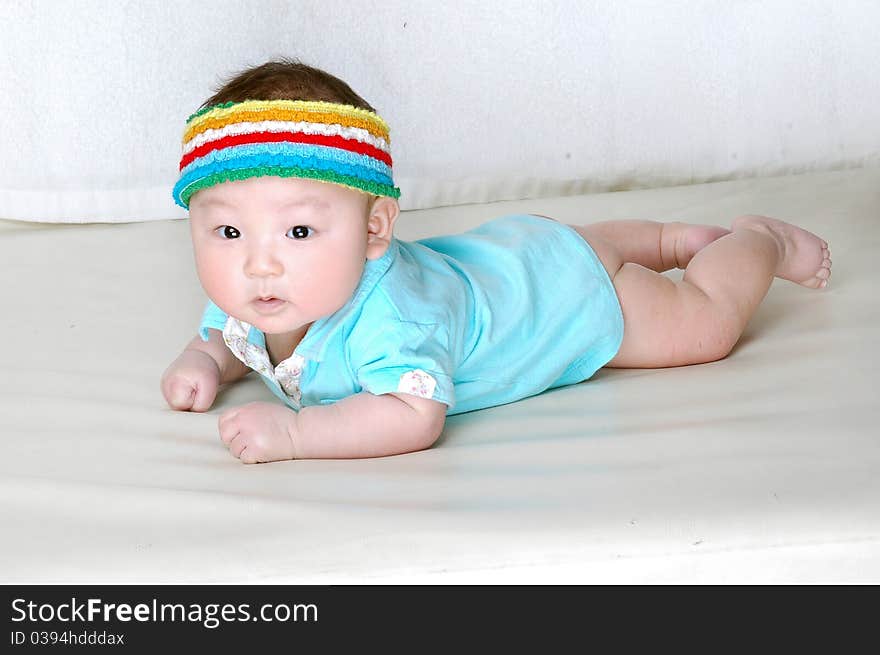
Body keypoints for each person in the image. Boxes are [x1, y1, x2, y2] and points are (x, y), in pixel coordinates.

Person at [160, 59, 832, 464]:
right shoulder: (255, 298)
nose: (258, 265)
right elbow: (225, 328)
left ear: (375, 229)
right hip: (513, 254)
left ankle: (758, 241)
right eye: (226, 230)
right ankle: (658, 239)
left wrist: (299, 434)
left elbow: (412, 414)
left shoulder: (391, 322)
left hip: (564, 301)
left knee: (704, 326)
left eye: (299, 230)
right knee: (580, 245)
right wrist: (204, 359)